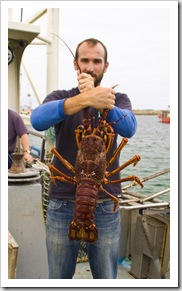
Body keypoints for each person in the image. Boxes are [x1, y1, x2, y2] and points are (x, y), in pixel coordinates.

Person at [31, 38, 137, 279]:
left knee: (106, 277)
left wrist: (102, 103)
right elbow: (37, 120)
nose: (90, 66)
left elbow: (129, 128)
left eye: (96, 61)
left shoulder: (118, 99)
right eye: (85, 60)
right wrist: (84, 99)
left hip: (105, 207)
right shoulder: (61, 96)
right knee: (58, 278)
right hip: (61, 205)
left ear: (105, 66)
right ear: (75, 64)